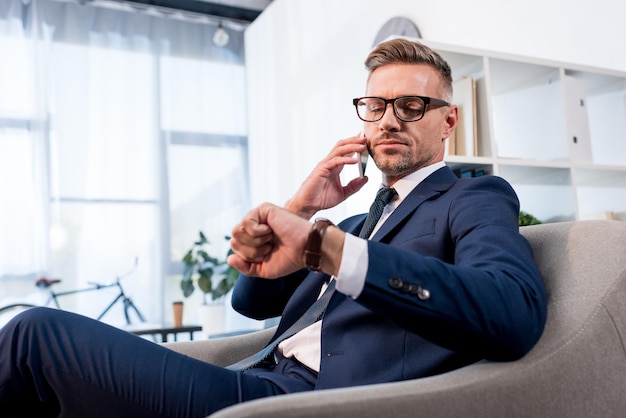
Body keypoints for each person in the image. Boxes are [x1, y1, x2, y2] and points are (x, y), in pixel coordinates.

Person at [0, 38, 547, 417]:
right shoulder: (356, 221)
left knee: (35, 334)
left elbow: (512, 311)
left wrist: (327, 247)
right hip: (259, 377)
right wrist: (303, 209)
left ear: (448, 120)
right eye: (376, 105)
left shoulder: (471, 196)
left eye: (410, 106)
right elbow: (250, 301)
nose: (387, 120)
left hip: (317, 400)